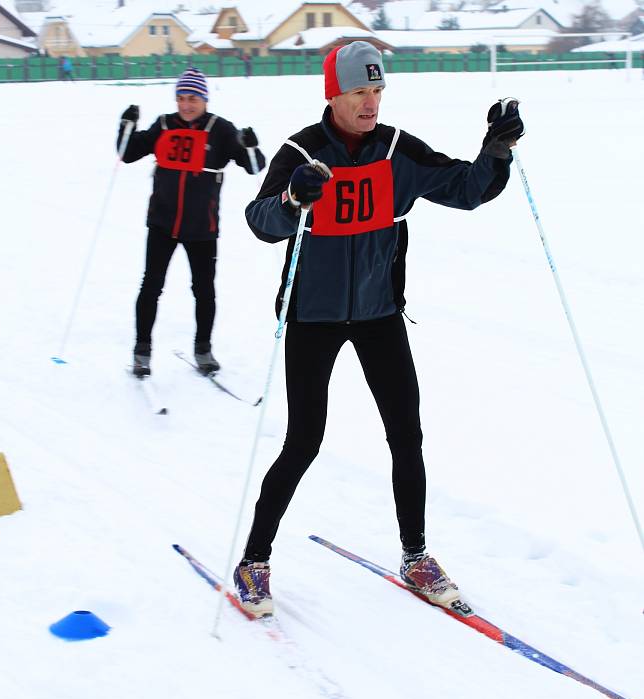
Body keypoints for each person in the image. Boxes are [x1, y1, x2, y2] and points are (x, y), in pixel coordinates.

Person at [234, 41, 524, 617]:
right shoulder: (302, 152)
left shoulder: (397, 151)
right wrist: (293, 198)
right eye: (359, 91)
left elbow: (467, 190)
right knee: (303, 441)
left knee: (406, 435)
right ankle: (254, 562)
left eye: (377, 90)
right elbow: (260, 221)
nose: (371, 102)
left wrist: (496, 150)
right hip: (312, 319)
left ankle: (415, 556)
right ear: (334, 94)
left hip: (378, 316)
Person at [118, 67, 266, 376]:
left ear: (205, 99)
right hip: (162, 224)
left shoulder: (221, 129)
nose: (186, 105)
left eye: (193, 98)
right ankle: (141, 351)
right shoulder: (163, 125)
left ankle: (203, 349)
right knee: (151, 286)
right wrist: (126, 125)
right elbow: (127, 153)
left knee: (204, 290)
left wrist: (251, 144)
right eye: (181, 98)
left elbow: (253, 166)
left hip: (202, 228)